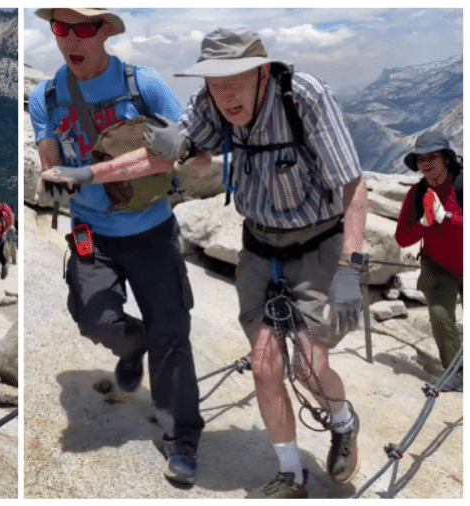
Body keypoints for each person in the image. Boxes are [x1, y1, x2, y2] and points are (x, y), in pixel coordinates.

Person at [147, 28, 368, 497]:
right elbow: (193, 153)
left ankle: (343, 422)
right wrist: (105, 170)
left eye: (235, 79)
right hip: (259, 247)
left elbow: (353, 184)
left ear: (263, 71)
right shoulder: (211, 102)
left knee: (309, 370)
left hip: (318, 245)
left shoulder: (304, 97)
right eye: (213, 81)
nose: (224, 93)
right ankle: (291, 474)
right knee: (266, 366)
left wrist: (351, 265)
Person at [29, 8, 203, 486]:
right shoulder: (45, 94)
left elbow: (181, 144)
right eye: (61, 28)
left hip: (150, 229)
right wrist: (51, 174)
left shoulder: (140, 82)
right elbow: (49, 151)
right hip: (92, 231)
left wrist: (179, 147)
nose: (71, 39)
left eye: (84, 28)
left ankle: (182, 439)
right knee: (93, 318)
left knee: (173, 333)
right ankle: (133, 347)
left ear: (105, 31)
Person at [395, 131, 463, 392]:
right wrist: (424, 224)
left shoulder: (462, 185)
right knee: (439, 314)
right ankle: (455, 373)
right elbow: (402, 238)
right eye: (421, 158)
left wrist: (446, 217)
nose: (426, 163)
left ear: (445, 158)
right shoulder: (417, 193)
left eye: (432, 156)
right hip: (438, 264)